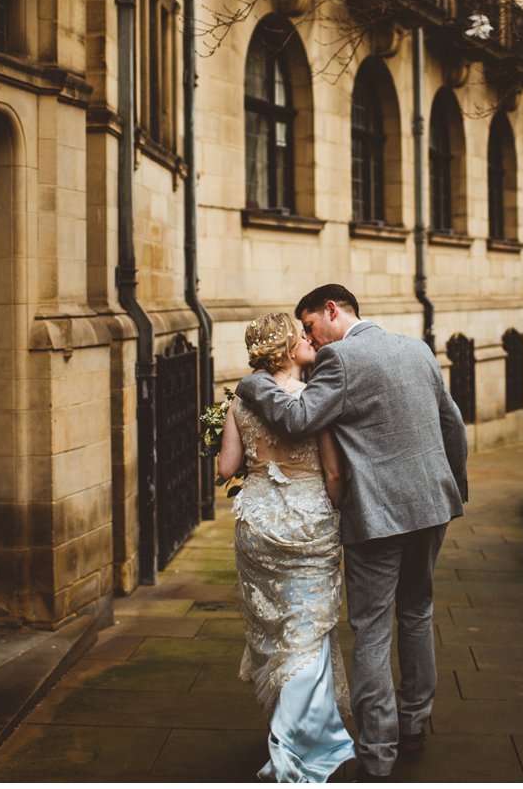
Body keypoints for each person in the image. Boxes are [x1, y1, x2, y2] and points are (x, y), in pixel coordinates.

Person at [235, 284, 469, 781]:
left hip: (378, 517)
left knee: (371, 628)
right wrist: (453, 489)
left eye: (311, 327)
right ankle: (414, 724)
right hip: (432, 506)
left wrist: (253, 384)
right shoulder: (417, 348)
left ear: (332, 310)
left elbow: (298, 419)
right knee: (417, 614)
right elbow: (453, 424)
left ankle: (380, 751)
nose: (311, 340)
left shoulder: (339, 360)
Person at [217, 312, 357, 782]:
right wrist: (338, 512)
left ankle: (289, 729)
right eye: (302, 336)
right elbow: (334, 474)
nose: (309, 340)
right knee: (308, 630)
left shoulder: (242, 398)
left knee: (276, 631)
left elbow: (226, 468)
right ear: (286, 348)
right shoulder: (312, 401)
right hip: (309, 519)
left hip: (257, 521)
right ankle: (297, 743)